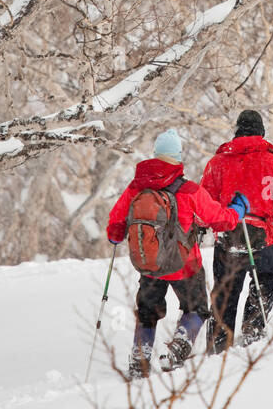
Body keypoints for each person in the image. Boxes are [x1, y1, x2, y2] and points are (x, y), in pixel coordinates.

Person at [106, 128, 248, 377]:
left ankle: (139, 360)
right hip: (185, 265)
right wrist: (238, 208)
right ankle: (177, 351)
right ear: (178, 157)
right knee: (197, 308)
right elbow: (221, 220)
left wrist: (120, 235)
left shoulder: (136, 188)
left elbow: (114, 230)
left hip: (150, 264)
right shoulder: (189, 190)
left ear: (155, 155)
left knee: (147, 313)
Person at [201, 110, 273, 352]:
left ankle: (218, 344)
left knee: (225, 290)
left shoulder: (217, 164)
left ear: (237, 131)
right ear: (261, 133)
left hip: (228, 235)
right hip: (261, 235)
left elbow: (204, 204)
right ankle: (253, 326)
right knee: (268, 276)